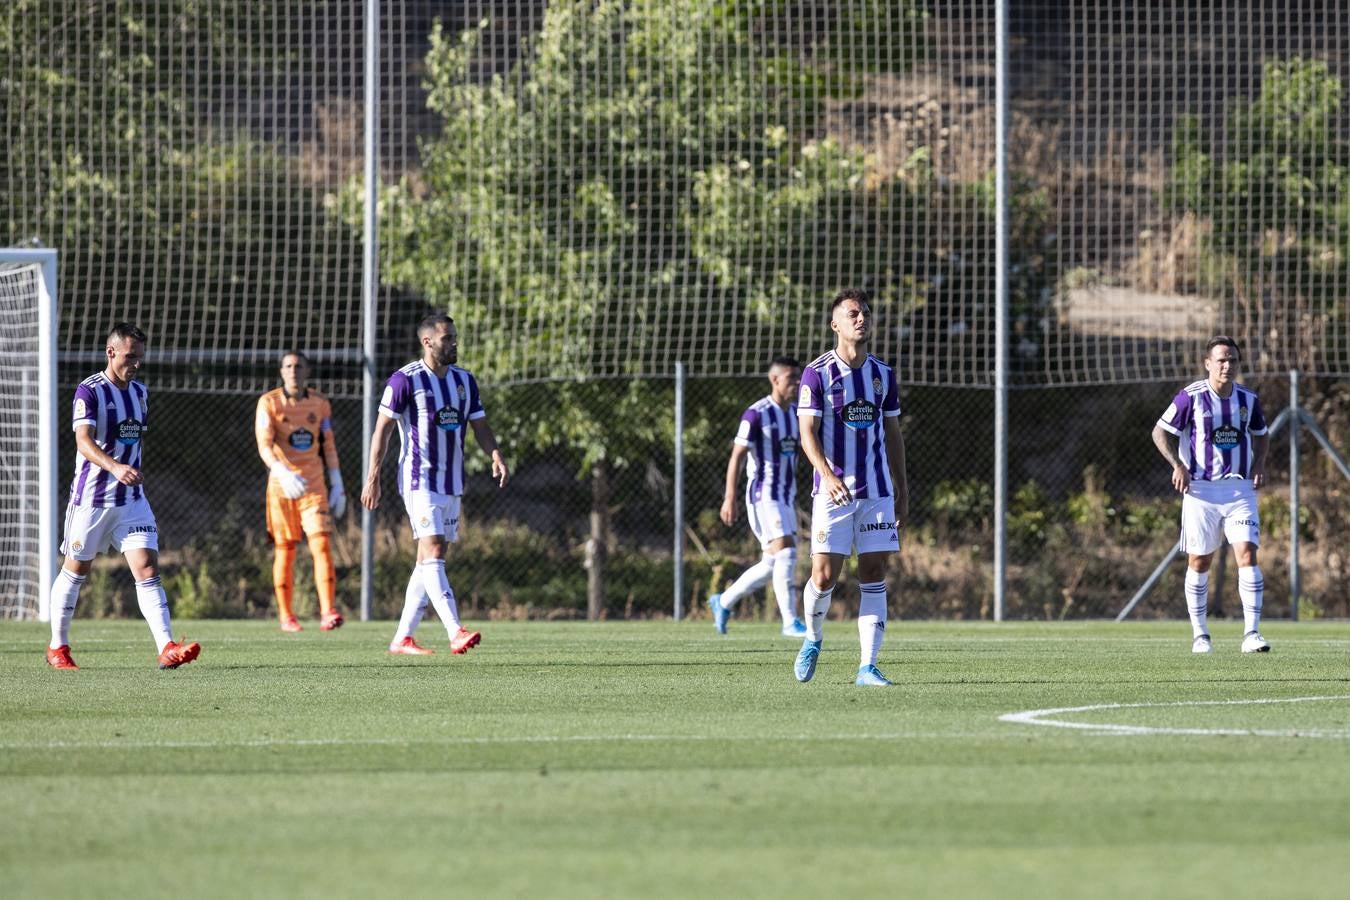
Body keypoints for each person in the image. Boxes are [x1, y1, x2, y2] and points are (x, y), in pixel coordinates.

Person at [45, 323, 201, 670]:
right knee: (76, 569)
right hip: (91, 501)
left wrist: (125, 473)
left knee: (146, 567)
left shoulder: (140, 393)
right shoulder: (89, 391)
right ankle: (58, 647)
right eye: (130, 356)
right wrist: (115, 467)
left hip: (131, 501)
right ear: (110, 352)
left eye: (140, 358)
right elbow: (83, 442)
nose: (136, 364)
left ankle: (167, 647)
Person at [361, 313, 508, 655]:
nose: (454, 343)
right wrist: (373, 478)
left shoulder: (464, 381)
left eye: (455, 337)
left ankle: (402, 638)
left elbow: (480, 425)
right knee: (435, 551)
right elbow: (381, 430)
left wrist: (495, 454)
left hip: (452, 482)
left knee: (427, 560)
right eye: (447, 338)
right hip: (419, 480)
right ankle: (455, 630)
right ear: (427, 342)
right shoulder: (404, 381)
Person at [794, 289, 908, 687]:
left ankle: (867, 666)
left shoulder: (883, 375)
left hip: (877, 491)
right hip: (833, 493)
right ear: (836, 324)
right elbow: (807, 433)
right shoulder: (817, 373)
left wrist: (902, 488)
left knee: (874, 570)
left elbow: (893, 433)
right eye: (854, 314)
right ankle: (812, 637)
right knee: (824, 576)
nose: (862, 319)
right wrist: (826, 474)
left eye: (866, 314)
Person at [1152, 335, 1270, 654]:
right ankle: (1200, 635)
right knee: (1200, 560)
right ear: (1208, 364)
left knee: (1247, 552)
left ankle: (1252, 633)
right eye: (1220, 360)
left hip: (1239, 488)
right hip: (1200, 490)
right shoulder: (1190, 397)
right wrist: (1177, 465)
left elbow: (1261, 435)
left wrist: (1259, 464)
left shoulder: (1248, 400)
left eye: (1232, 359)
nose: (1227, 365)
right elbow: (1160, 432)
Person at [709, 357, 807, 637]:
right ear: (775, 380)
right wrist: (729, 497)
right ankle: (789, 621)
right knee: (787, 550)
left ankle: (723, 601)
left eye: (799, 378)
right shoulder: (756, 414)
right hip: (763, 495)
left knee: (771, 564)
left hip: (786, 497)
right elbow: (737, 456)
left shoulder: (797, 413)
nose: (797, 383)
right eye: (792, 378)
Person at [255, 350, 346, 632]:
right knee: (286, 549)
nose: (293, 370)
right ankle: (286, 616)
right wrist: (281, 471)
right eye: (288, 366)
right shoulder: (269, 402)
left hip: (313, 485)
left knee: (321, 544)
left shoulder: (319, 403)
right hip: (282, 487)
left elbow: (327, 444)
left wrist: (337, 481)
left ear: (307, 371)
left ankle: (328, 611)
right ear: (281, 371)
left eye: (298, 366)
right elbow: (265, 445)